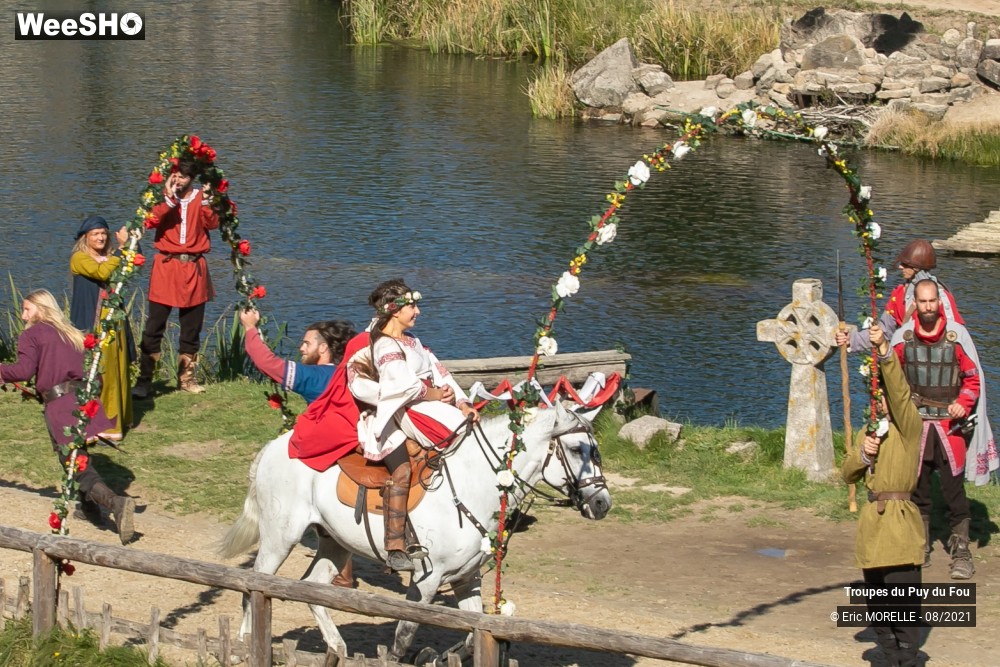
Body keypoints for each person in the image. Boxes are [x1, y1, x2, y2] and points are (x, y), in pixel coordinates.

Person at [347, 279, 479, 572]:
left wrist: (461, 402)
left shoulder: (414, 342)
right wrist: (433, 393)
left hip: (423, 408)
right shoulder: (383, 344)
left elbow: (440, 372)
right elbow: (400, 386)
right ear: (394, 311)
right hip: (393, 415)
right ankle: (394, 545)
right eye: (412, 306)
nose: (417, 312)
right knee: (403, 469)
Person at [0, 290, 136, 544]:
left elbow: (23, 370)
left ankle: (116, 504)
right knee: (79, 455)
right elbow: (95, 372)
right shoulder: (73, 334)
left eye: (27, 309)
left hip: (60, 406)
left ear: (41, 309)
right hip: (84, 402)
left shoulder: (32, 334)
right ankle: (90, 509)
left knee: (74, 462)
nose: (22, 316)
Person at [890, 279, 995, 579]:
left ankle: (961, 550)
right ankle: (920, 545)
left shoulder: (956, 336)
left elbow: (972, 379)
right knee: (918, 488)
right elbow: (890, 376)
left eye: (931, 301)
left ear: (939, 302)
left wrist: (964, 401)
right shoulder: (902, 338)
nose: (927, 307)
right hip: (916, 424)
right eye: (922, 302)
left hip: (950, 428)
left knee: (953, 492)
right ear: (916, 304)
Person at [843, 324, 925, 667]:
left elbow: (900, 391)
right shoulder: (870, 430)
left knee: (902, 601)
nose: (885, 403)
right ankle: (888, 655)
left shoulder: (909, 427)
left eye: (887, 398)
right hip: (873, 525)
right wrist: (864, 453)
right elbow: (847, 473)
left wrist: (884, 351)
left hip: (900, 522)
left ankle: (907, 657)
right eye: (879, 399)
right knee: (877, 602)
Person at [134, 154, 220, 398]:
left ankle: (186, 379)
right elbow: (150, 221)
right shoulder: (160, 197)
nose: (179, 180)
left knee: (191, 328)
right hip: (167, 266)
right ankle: (144, 380)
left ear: (191, 178)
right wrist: (169, 199)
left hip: (193, 268)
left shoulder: (200, 198)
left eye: (183, 177)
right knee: (154, 326)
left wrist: (207, 202)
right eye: (176, 176)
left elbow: (213, 223)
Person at [69, 215, 135, 441]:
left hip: (114, 321)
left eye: (103, 234)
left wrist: (131, 244)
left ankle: (115, 421)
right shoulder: (79, 258)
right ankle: (91, 421)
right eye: (95, 234)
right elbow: (103, 273)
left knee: (115, 370)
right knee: (95, 371)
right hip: (92, 323)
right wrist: (121, 250)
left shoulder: (109, 257)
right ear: (85, 238)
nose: (100, 238)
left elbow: (128, 267)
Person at [836, 239, 962, 353]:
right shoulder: (899, 294)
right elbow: (884, 331)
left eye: (906, 264)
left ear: (917, 268)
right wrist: (851, 340)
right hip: (909, 364)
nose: (901, 267)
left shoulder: (941, 296)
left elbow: (956, 336)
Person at [238, 308, 354, 404]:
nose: (301, 348)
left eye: (307, 344)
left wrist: (250, 327)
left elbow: (269, 364)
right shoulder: (345, 372)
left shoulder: (317, 377)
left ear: (323, 347)